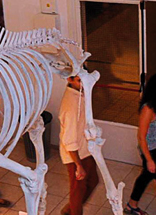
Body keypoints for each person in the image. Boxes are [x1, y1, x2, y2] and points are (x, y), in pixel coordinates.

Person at [124, 73, 156, 215]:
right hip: (153, 152)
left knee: (146, 177)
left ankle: (131, 206)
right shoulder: (148, 109)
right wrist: (149, 160)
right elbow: (141, 137)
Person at [58, 75, 100, 215]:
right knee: (78, 189)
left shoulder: (80, 95)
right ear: (70, 80)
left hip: (85, 149)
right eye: (79, 80)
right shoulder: (71, 106)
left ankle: (69, 210)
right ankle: (73, 211)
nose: (83, 83)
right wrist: (78, 165)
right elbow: (69, 138)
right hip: (75, 153)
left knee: (93, 180)